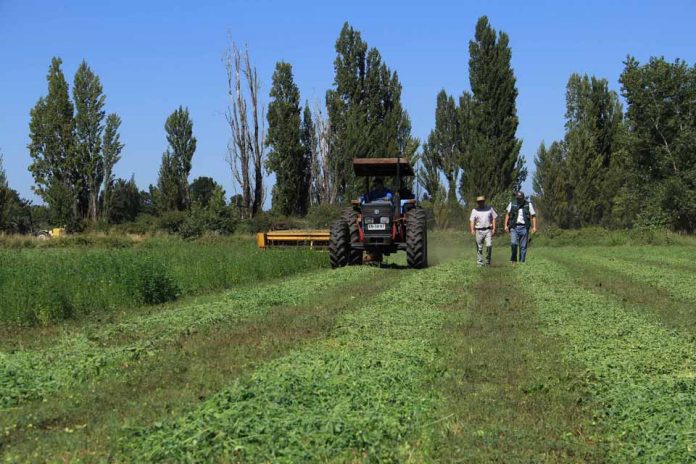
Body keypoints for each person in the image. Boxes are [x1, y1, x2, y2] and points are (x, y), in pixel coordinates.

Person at [504, 191, 537, 264]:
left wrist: (534, 227)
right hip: (514, 227)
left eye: (520, 198)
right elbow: (507, 215)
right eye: (517, 198)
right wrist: (505, 225)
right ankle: (514, 260)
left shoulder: (528, 204)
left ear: (523, 198)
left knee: (523, 246)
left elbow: (533, 216)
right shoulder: (512, 204)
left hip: (524, 227)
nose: (519, 200)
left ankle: (522, 261)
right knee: (513, 243)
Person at [469, 195, 497, 267]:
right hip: (478, 230)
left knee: (489, 245)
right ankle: (480, 263)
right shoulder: (474, 210)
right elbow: (472, 220)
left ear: (484, 201)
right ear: (477, 202)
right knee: (479, 248)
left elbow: (493, 218)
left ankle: (488, 262)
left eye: (482, 201)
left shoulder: (489, 208)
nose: (480, 203)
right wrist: (472, 229)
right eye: (479, 202)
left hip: (488, 230)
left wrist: (494, 228)